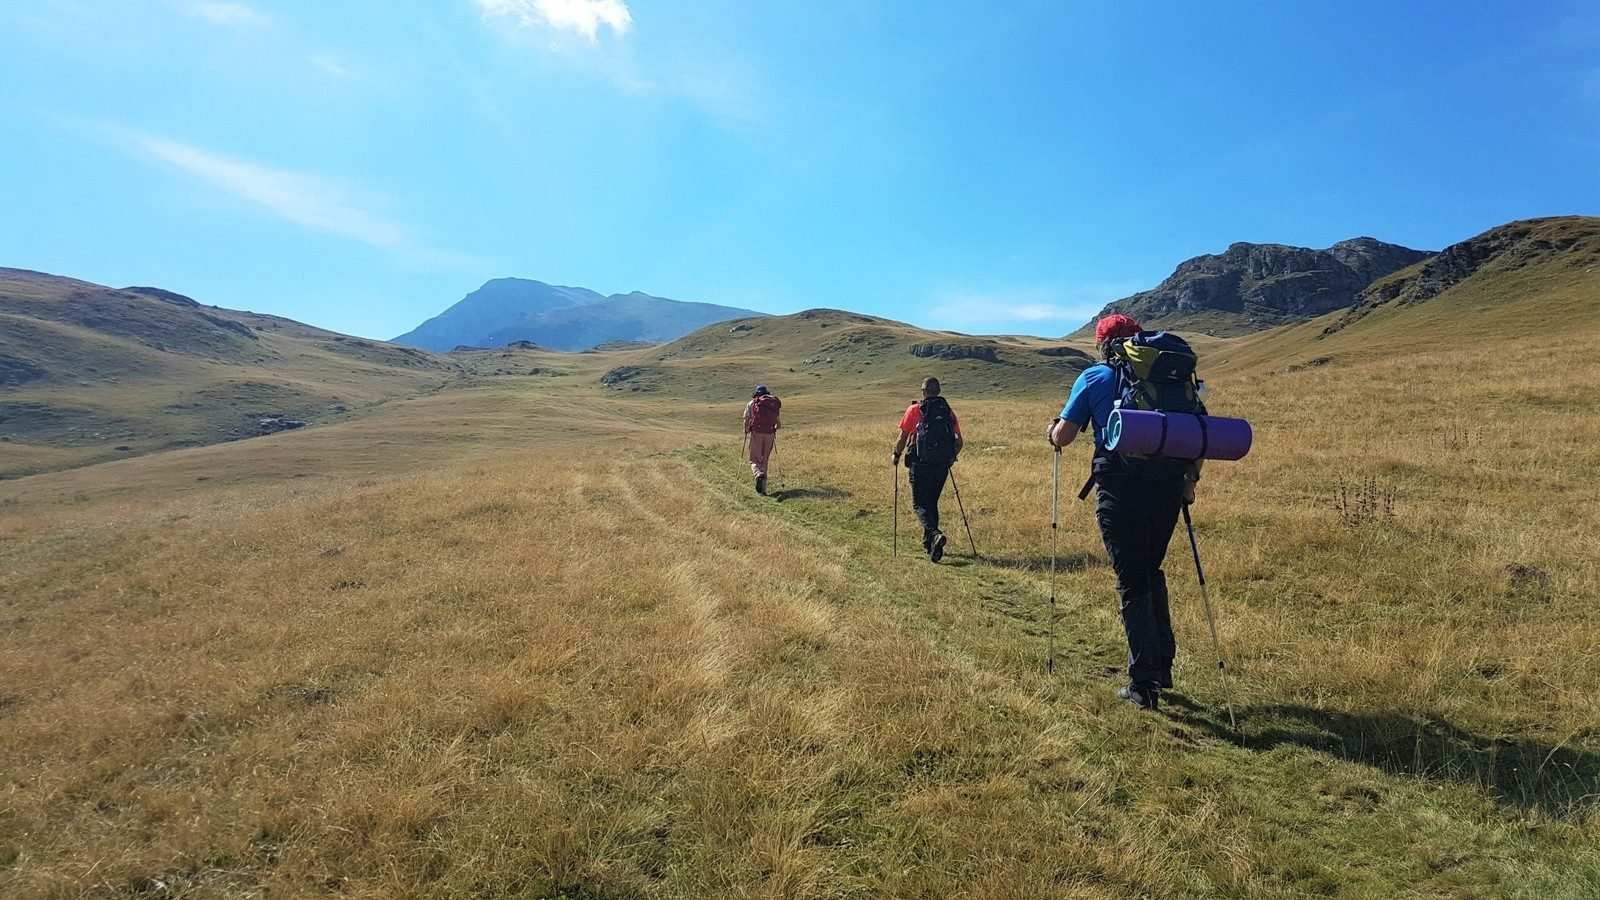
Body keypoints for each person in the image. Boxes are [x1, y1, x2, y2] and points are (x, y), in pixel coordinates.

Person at [1049, 313, 1200, 711]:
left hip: (1120, 486)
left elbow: (1063, 436)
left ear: (1102, 343)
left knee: (1132, 579)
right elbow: (1197, 432)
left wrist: (1053, 430)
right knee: (1151, 572)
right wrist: (1189, 483)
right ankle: (1162, 666)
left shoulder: (1096, 377)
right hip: (1168, 486)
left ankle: (1143, 682)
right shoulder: (1171, 375)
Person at [892, 377, 964, 562]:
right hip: (941, 465)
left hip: (920, 463)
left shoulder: (915, 410)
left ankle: (934, 534)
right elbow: (959, 441)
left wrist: (896, 455)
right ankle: (929, 545)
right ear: (938, 391)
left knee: (919, 504)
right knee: (932, 503)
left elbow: (902, 438)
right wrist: (950, 458)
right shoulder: (947, 411)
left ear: (923, 391)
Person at [743, 385, 781, 494]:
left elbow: (746, 419)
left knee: (754, 460)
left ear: (756, 393)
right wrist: (773, 428)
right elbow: (778, 424)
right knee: (765, 460)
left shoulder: (752, 403)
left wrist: (746, 430)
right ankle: (763, 489)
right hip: (769, 434)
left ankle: (758, 474)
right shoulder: (772, 404)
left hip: (756, 434)